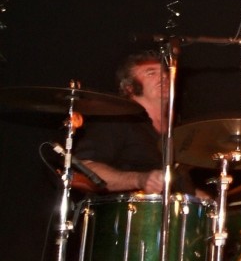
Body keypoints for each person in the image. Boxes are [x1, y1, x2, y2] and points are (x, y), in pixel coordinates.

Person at [74, 50, 204, 197]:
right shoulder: (117, 121)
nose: (164, 77)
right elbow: (82, 170)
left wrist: (196, 197)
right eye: (151, 73)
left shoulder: (177, 130)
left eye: (165, 72)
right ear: (129, 87)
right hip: (128, 216)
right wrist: (139, 180)